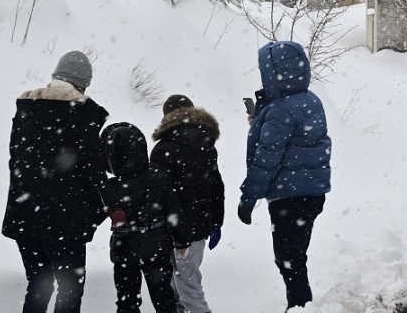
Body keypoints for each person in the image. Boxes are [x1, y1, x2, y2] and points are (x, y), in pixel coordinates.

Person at [3, 50, 109, 313]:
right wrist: (102, 209)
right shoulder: (84, 114)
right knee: (70, 287)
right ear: (83, 83)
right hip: (65, 218)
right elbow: (92, 173)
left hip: (25, 215)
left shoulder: (27, 109)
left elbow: (15, 162)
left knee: (39, 284)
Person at [238, 41, 332, 311]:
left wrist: (248, 197)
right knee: (294, 257)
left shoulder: (280, 110)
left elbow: (267, 158)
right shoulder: (309, 99)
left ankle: (300, 306)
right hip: (310, 192)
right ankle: (302, 304)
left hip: (290, 196)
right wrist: (261, 120)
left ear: (276, 72)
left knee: (288, 259)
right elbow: (300, 140)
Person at [150, 94, 225, 313]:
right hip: (200, 225)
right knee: (186, 276)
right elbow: (216, 187)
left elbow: (157, 193)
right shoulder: (207, 145)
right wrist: (216, 222)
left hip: (171, 225)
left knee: (183, 280)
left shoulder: (163, 149)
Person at [101, 122, 184, 313]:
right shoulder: (159, 178)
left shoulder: (110, 187)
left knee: (127, 300)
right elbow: (174, 211)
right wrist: (183, 240)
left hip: (125, 247)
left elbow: (94, 216)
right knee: (164, 298)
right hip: (157, 244)